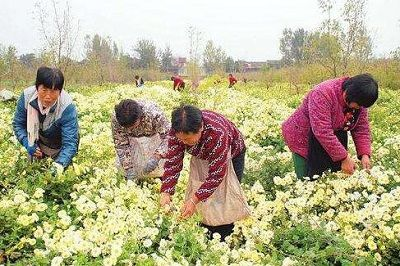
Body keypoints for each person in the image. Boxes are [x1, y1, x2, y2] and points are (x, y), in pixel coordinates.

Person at [160, 105, 250, 241]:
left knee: (226, 194)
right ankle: (206, 228)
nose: (184, 143)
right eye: (181, 140)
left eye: (188, 140)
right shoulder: (176, 131)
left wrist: (193, 200)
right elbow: (173, 162)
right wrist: (166, 191)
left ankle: (230, 233)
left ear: (201, 128)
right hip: (202, 155)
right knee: (201, 191)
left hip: (232, 154)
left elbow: (217, 174)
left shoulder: (217, 132)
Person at [282, 74, 379, 179]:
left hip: (330, 134)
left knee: (331, 174)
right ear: (349, 93)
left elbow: (361, 128)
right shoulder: (322, 93)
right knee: (306, 177)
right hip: (303, 134)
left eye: (361, 106)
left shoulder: (359, 100)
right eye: (358, 105)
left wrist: (364, 154)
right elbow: (322, 131)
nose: (359, 108)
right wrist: (344, 158)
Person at [13, 66, 79, 173]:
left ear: (60, 91)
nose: (48, 96)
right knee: (34, 175)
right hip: (37, 143)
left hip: (58, 147)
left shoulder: (67, 106)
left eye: (53, 91)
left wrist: (59, 165)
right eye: (44, 90)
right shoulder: (26, 97)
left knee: (57, 178)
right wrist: (27, 142)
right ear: (37, 87)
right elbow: (18, 124)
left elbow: (70, 142)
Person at [112, 99, 170, 180]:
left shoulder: (154, 114)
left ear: (140, 116)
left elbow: (169, 136)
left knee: (158, 172)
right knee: (130, 173)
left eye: (133, 125)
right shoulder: (117, 118)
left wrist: (157, 156)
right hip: (131, 140)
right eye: (126, 127)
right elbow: (121, 144)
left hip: (153, 138)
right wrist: (128, 168)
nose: (129, 129)